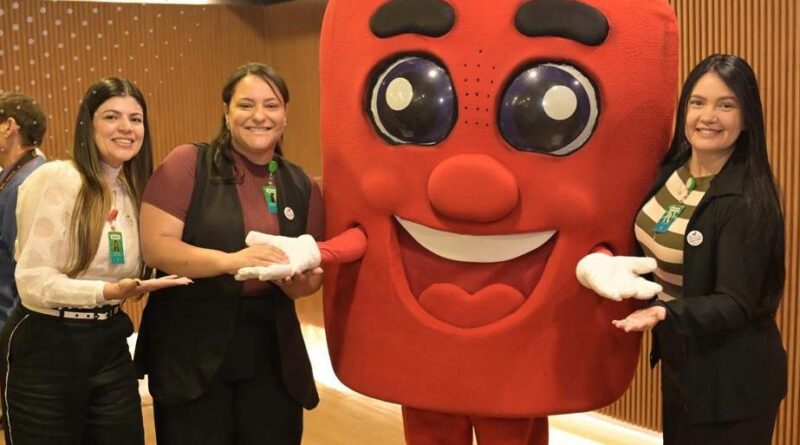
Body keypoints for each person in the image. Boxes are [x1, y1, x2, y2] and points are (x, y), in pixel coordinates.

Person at [581, 54, 787, 444]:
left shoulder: (745, 200)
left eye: (726, 105)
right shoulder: (672, 171)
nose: (708, 116)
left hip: (732, 381)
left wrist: (664, 311)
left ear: (747, 119)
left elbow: (736, 302)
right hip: (684, 360)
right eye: (698, 102)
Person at [136, 62, 323, 445]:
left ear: (285, 114)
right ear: (226, 112)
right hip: (192, 345)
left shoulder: (300, 183)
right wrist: (232, 261)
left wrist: (299, 283)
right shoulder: (189, 164)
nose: (259, 116)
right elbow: (157, 247)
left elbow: (313, 269)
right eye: (246, 105)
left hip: (271, 348)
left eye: (271, 105)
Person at [0, 78, 190, 445]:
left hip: (110, 342)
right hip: (46, 346)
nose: (126, 128)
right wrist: (107, 291)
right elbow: (33, 281)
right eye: (111, 117)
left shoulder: (134, 189)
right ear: (88, 124)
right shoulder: (58, 178)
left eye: (136, 119)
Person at [0, 92, 47, 331]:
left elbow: (24, 266)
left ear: (9, 126)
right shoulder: (19, 175)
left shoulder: (29, 181)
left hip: (11, 319)